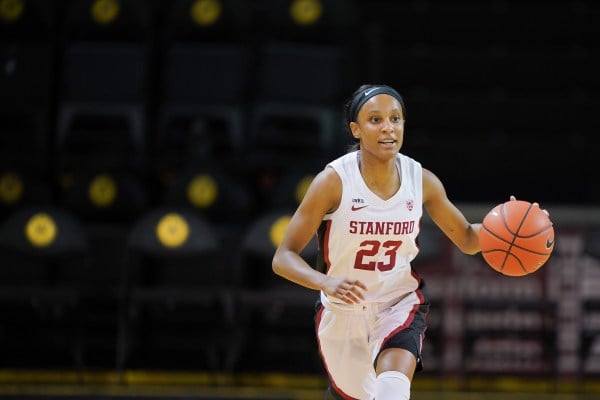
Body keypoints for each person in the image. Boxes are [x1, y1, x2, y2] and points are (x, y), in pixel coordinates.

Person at [271, 83, 487, 400]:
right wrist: (326, 282)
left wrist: (506, 226)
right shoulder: (333, 182)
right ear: (356, 129)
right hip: (343, 311)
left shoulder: (422, 180)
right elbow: (283, 258)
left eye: (395, 118)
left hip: (398, 302)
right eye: (375, 119)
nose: (388, 127)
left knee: (392, 392)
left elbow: (468, 238)